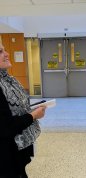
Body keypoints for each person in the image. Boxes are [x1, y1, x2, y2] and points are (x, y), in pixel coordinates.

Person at [0, 43, 46, 178]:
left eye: (5, 49)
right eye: (0, 51)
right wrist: (33, 116)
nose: (7, 54)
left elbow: (17, 109)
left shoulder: (9, 80)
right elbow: (5, 127)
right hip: (5, 155)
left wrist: (32, 111)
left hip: (16, 150)